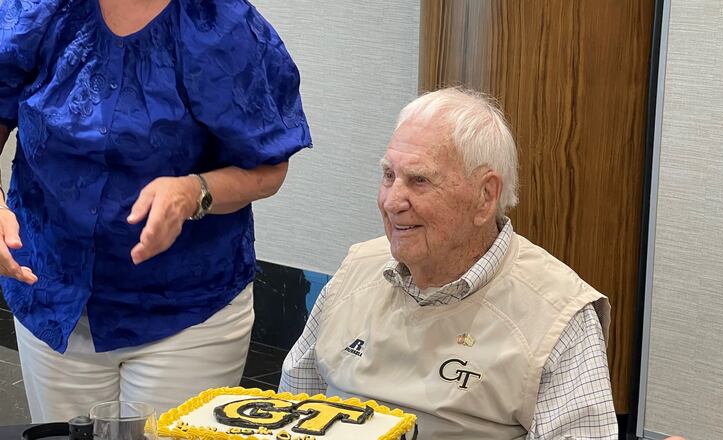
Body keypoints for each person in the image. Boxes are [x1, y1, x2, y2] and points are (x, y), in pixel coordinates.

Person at [0, 0, 311, 422]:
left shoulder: (222, 24)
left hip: (185, 312)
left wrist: (194, 190)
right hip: (51, 292)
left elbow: (269, 166)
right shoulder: (35, 10)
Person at [280, 88, 618, 439]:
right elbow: (291, 407)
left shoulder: (555, 314)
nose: (392, 201)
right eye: (388, 175)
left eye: (419, 180)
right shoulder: (357, 269)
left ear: (485, 196)